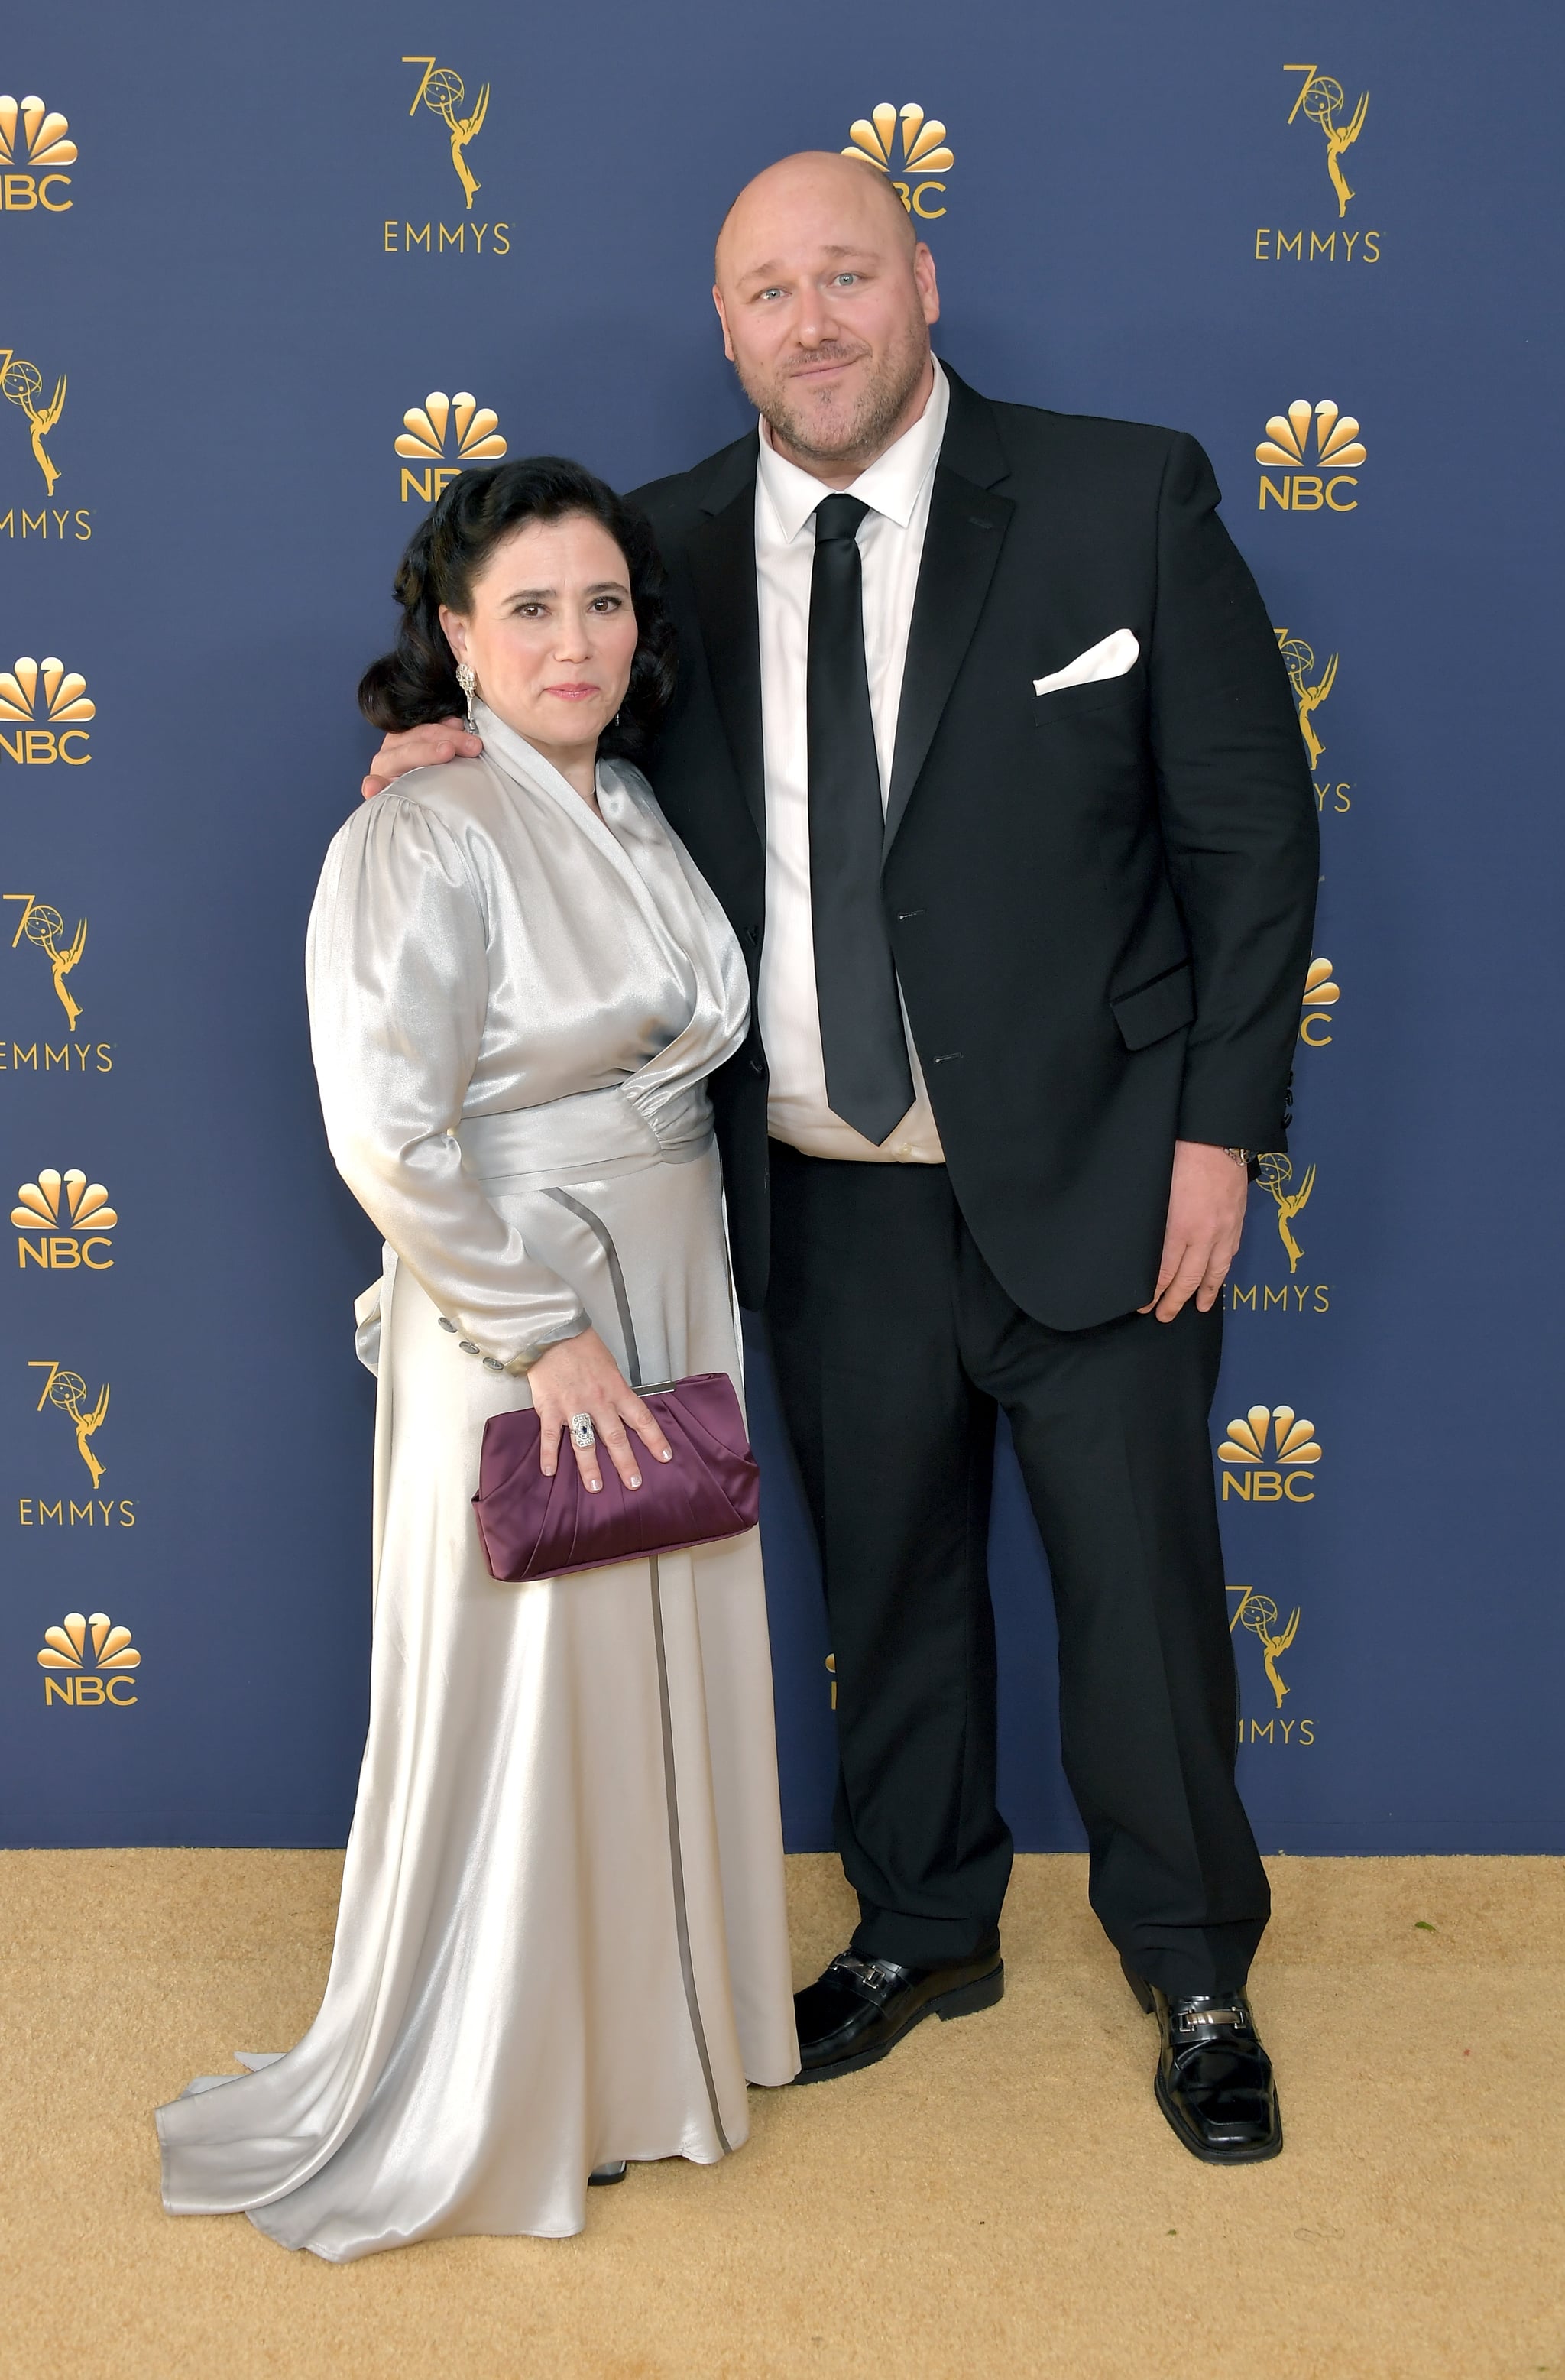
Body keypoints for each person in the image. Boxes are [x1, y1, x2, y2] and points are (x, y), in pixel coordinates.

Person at [363, 152, 1320, 2167]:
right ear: (723, 327)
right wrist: (452, 739)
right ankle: (924, 1927)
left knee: (1141, 1600)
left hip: (1101, 1169)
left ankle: (1198, 1969)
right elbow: (570, 720)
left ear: (923, 282)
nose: (811, 322)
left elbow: (1253, 841)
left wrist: (1220, 1127)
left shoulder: (1119, 495)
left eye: (845, 278)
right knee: (886, 1592)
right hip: (811, 1192)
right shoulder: (664, 554)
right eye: (767, 292)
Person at [157, 459, 798, 2259]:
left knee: (644, 1659)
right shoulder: (413, 835)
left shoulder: (644, 810)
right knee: (532, 1681)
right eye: (528, 609)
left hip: (671, 1284)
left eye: (603, 602)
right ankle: (509, 2079)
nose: (575, 640)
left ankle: (643, 2054)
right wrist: (547, 1337)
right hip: (524, 1313)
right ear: (453, 637)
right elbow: (390, 1134)